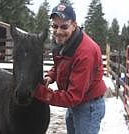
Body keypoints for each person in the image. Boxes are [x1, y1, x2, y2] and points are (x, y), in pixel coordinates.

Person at [34, 3, 107, 134]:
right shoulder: (64, 43)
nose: (58, 31)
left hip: (87, 106)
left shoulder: (85, 53)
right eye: (54, 26)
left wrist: (40, 92)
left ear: (74, 25)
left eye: (64, 26)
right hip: (77, 102)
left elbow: (73, 97)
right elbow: (60, 65)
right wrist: (51, 76)